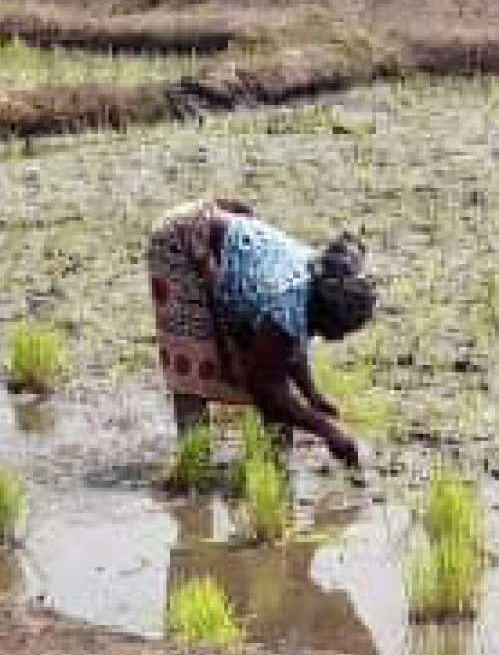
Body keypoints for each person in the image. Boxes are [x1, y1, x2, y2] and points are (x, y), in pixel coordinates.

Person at [146, 198, 375, 471]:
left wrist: (312, 396)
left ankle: (274, 465)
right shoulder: (289, 301)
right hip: (182, 241)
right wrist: (326, 430)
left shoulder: (317, 285)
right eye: (338, 329)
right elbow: (266, 387)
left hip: (226, 249)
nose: (336, 338)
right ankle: (194, 462)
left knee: (266, 373)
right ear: (324, 311)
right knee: (194, 362)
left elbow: (291, 347)